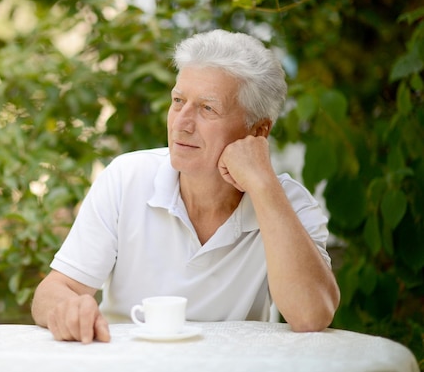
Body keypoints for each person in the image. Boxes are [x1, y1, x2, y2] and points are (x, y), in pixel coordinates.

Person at [31, 29, 340, 344]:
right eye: (178, 101)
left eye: (207, 109)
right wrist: (67, 308)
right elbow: (53, 291)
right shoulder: (127, 177)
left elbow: (311, 316)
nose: (182, 123)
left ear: (258, 131)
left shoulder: (286, 203)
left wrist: (263, 186)